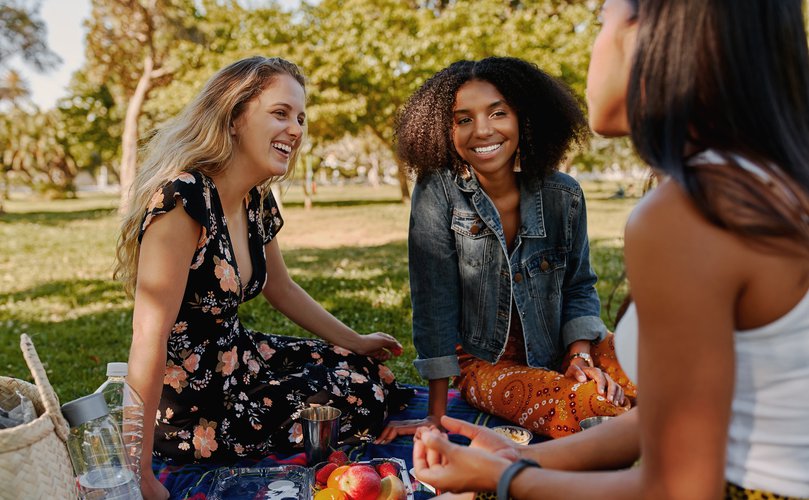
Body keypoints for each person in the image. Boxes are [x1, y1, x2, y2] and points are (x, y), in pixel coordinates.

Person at [412, 0, 809, 498]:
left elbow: (680, 488)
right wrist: (517, 454)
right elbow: (665, 418)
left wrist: (505, 479)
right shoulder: (767, 181)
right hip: (493, 363)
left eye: (602, 19)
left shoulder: (686, 211)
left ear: (650, 36)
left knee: (598, 386)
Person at [114, 56, 413, 499]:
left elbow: (280, 287)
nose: (295, 129)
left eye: (300, 117)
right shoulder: (182, 200)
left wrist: (356, 340)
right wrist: (137, 473)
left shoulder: (256, 199)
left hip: (241, 359)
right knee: (353, 400)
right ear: (234, 117)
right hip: (194, 406)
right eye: (280, 113)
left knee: (363, 373)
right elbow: (148, 337)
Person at [378, 56, 635, 445]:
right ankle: (634, 427)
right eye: (463, 119)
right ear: (443, 131)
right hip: (485, 364)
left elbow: (579, 286)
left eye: (498, 113)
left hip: (564, 347)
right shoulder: (438, 193)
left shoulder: (564, 195)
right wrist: (435, 416)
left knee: (668, 366)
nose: (481, 130)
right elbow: (434, 305)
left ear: (523, 119)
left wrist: (580, 358)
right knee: (588, 406)